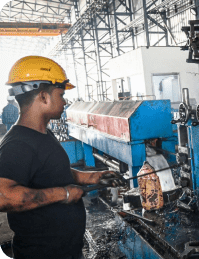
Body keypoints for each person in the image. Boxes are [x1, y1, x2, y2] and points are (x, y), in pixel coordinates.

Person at [0, 56, 123, 259]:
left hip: (66, 250)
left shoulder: (43, 133)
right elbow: (3, 196)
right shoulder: (18, 144)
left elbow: (52, 171)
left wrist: (92, 178)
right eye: (61, 94)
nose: (65, 101)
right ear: (43, 97)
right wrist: (64, 194)